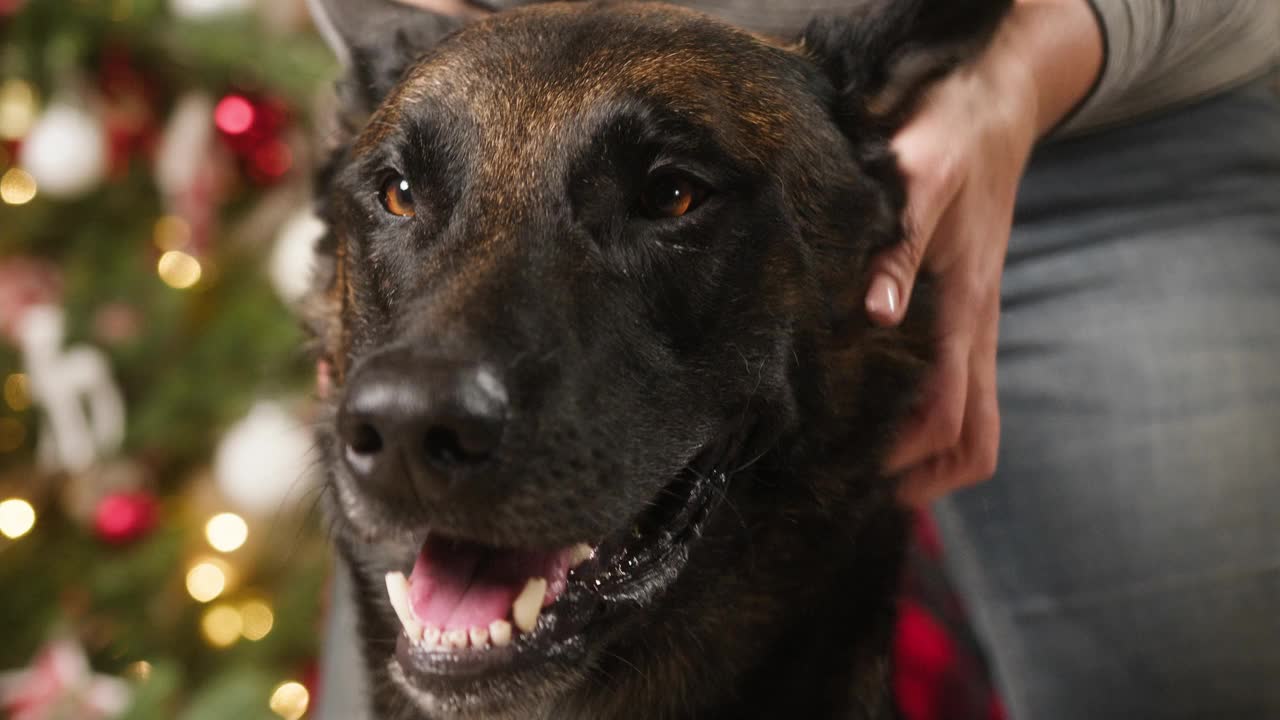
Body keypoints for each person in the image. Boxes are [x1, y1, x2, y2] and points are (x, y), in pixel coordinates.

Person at [331, 1, 1280, 717]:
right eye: (400, 195)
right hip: (511, 68)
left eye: (666, 194)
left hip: (1112, 115)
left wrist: (1022, 72)